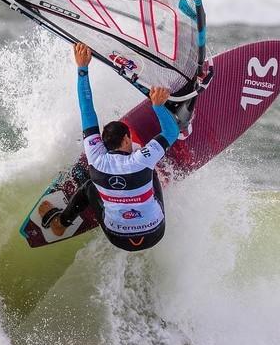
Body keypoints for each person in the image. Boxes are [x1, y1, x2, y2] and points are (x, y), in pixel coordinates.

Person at [38, 42, 179, 252]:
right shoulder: (142, 160)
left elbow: (87, 111)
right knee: (151, 174)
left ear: (103, 143)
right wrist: (158, 106)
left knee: (89, 186)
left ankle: (61, 224)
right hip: (155, 233)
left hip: (118, 237)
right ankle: (142, 198)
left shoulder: (96, 156)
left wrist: (82, 69)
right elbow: (171, 132)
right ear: (125, 140)